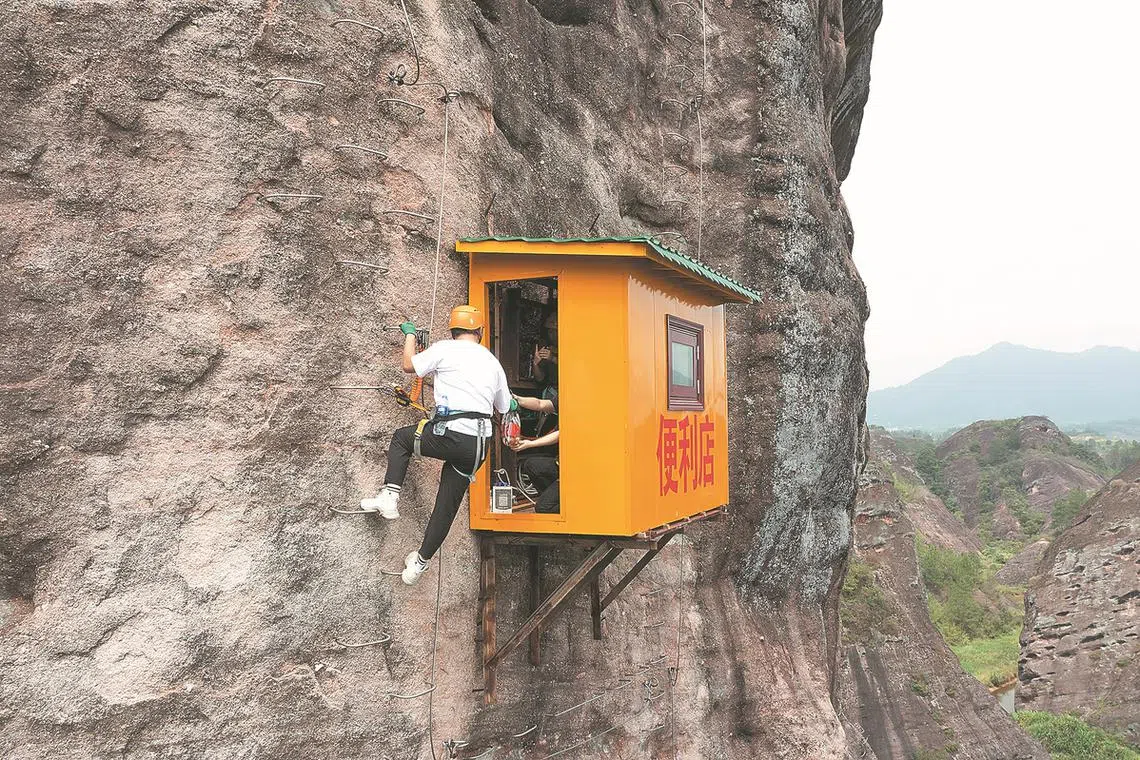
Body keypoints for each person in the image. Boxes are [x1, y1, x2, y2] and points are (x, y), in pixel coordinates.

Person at [358, 305, 515, 585]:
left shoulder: (445, 349)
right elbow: (504, 406)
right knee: (446, 505)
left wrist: (409, 335)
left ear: (453, 329)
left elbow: (409, 365)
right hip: (478, 445)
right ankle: (419, 564)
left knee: (402, 439)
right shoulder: (492, 362)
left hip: (449, 434)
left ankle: (390, 497)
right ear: (480, 331)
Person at [509, 390, 559, 514]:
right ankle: (557, 499)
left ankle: (572, 508)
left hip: (576, 471)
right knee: (532, 466)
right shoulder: (566, 395)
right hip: (560, 464)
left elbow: (561, 434)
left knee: (542, 508)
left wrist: (530, 444)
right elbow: (540, 404)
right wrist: (517, 399)